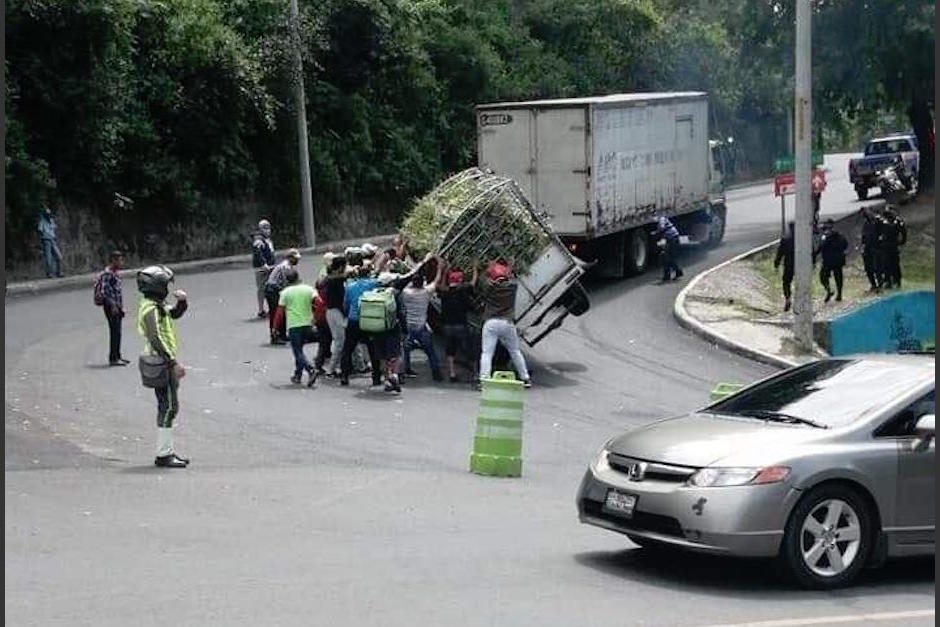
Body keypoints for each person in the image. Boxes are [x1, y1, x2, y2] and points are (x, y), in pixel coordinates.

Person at [136, 265, 190, 468]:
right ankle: (164, 454)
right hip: (161, 363)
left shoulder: (155, 305)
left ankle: (166, 452)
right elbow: (156, 338)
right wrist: (173, 362)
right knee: (168, 408)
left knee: (167, 406)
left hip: (162, 361)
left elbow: (173, 314)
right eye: (165, 284)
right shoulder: (150, 309)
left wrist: (182, 302)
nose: (167, 288)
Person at [478, 261, 531, 388]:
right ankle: (525, 378)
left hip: (491, 323)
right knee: (515, 351)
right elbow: (512, 276)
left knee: (487, 353)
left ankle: (484, 380)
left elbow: (482, 279)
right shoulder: (512, 287)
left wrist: (487, 269)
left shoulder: (489, 288)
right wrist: (510, 264)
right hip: (507, 322)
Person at [272, 268, 318, 386]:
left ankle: (310, 369)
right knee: (300, 350)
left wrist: (275, 327)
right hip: (308, 324)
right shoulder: (308, 289)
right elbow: (320, 303)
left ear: (287, 280)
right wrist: (315, 317)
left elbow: (280, 312)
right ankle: (297, 375)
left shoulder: (285, 292)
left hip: (294, 325)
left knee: (297, 351)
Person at [401, 257, 444, 381]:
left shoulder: (406, 293)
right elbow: (436, 281)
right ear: (422, 283)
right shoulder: (426, 293)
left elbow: (406, 282)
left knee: (406, 349)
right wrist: (440, 268)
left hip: (410, 325)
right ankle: (437, 374)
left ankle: (405, 370)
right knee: (430, 351)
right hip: (421, 326)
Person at [439, 264, 479, 383]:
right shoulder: (463, 291)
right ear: (460, 280)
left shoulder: (444, 292)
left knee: (450, 350)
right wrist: (475, 268)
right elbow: (473, 282)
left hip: (447, 326)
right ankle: (476, 374)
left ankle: (452, 373)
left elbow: (440, 285)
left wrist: (444, 270)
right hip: (461, 325)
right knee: (470, 350)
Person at [97, 251, 128, 366]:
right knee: (115, 332)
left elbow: (117, 292)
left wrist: (121, 307)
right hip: (111, 306)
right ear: (113, 260)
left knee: (118, 332)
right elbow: (105, 292)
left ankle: (118, 355)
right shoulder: (107, 274)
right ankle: (113, 358)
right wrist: (113, 306)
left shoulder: (116, 273)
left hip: (117, 305)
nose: (121, 262)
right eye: (119, 260)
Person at [264, 248, 301, 344]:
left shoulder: (288, 266)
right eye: (295, 258)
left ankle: (282, 335)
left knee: (283, 313)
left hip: (277, 289)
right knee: (276, 313)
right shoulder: (285, 267)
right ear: (290, 258)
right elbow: (286, 283)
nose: (297, 260)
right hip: (272, 290)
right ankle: (275, 336)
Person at [321, 253, 347, 377]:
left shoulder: (330, 278)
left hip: (333, 312)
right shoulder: (334, 280)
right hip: (335, 312)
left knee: (344, 340)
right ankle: (331, 370)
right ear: (341, 267)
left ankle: (358, 365)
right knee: (339, 341)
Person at [813, 219, 848, 303]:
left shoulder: (825, 236)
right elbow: (845, 244)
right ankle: (839, 293)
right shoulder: (839, 235)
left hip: (828, 260)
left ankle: (829, 290)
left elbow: (821, 247)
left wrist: (814, 255)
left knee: (823, 276)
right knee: (838, 277)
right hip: (838, 260)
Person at [251, 219, 276, 318]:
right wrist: (263, 264)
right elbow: (258, 253)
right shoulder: (258, 240)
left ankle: (272, 308)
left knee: (271, 288)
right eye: (264, 228)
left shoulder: (268, 240)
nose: (267, 230)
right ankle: (261, 310)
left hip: (270, 266)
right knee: (262, 289)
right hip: (262, 268)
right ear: (260, 229)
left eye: (268, 228)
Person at [881, 208, 907, 289]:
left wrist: (902, 241)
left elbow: (903, 232)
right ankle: (888, 281)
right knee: (886, 265)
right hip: (886, 247)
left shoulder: (897, 223)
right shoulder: (883, 223)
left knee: (894, 265)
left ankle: (896, 281)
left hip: (892, 246)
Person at [774, 222, 795, 312]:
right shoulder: (803, 239)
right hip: (801, 265)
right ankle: (802, 300)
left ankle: (788, 298)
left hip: (788, 264)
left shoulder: (785, 240)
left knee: (786, 282)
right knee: (802, 283)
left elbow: (780, 253)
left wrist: (776, 263)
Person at [859, 208, 882, 292]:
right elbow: (864, 237)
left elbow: (882, 234)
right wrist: (863, 247)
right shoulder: (866, 224)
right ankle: (873, 285)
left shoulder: (877, 222)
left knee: (877, 268)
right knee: (868, 268)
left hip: (876, 247)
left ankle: (880, 285)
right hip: (868, 248)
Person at [655, 216, 683, 282]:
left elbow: (662, 228)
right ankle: (668, 275)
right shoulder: (662, 219)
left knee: (667, 257)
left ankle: (677, 272)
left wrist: (656, 232)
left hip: (672, 238)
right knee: (666, 257)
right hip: (670, 238)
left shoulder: (661, 219)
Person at [38, 206, 63, 278]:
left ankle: (58, 272)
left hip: (52, 239)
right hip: (46, 240)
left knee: (58, 256)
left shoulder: (51, 220)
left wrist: (54, 237)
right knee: (48, 258)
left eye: (49, 213)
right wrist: (44, 237)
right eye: (47, 213)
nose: (49, 215)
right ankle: (49, 273)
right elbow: (40, 230)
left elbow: (54, 228)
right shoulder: (42, 221)